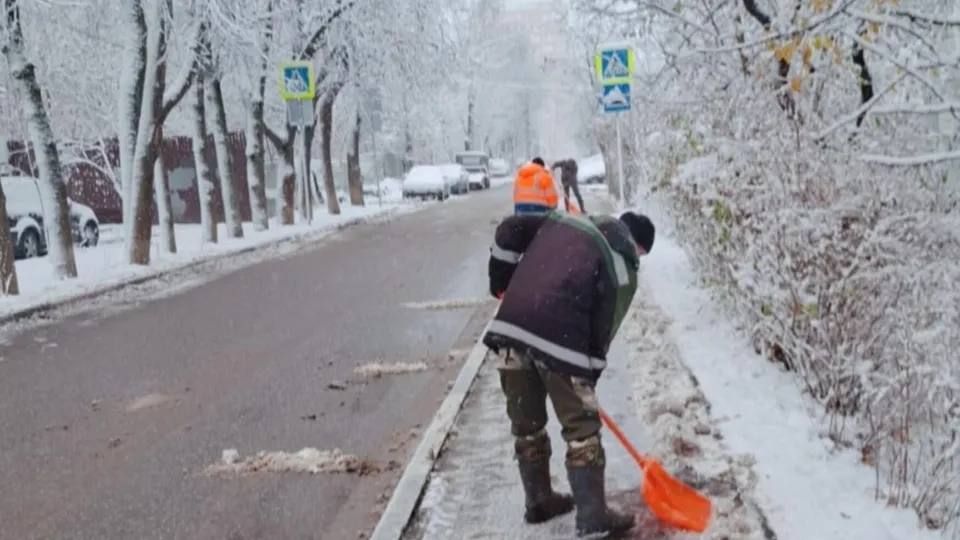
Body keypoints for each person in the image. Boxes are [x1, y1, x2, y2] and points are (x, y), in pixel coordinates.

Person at [484, 209, 656, 537]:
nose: (639, 258)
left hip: (510, 328)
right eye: (642, 254)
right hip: (562, 337)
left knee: (527, 423)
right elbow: (601, 332)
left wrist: (501, 282)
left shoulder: (563, 222)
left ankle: (539, 500)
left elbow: (509, 227)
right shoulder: (625, 266)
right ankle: (593, 517)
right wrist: (584, 383)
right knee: (582, 430)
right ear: (638, 246)